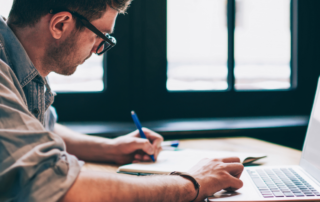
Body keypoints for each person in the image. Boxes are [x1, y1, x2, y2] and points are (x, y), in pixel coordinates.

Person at [0, 0, 244, 201]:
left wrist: (109, 149)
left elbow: (33, 130)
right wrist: (192, 183)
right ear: (60, 24)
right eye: (101, 35)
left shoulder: (20, 65)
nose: (98, 49)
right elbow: (57, 185)